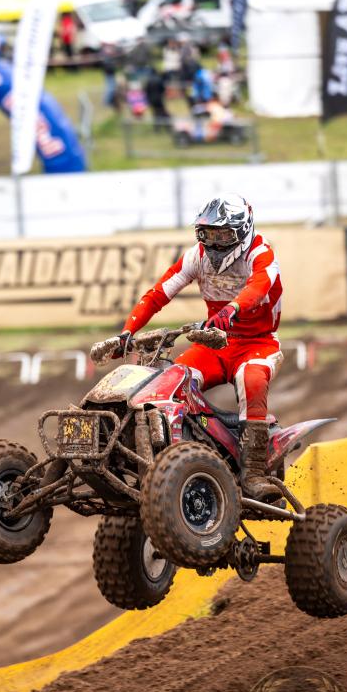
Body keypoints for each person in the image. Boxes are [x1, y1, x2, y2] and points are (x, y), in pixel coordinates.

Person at [117, 194, 283, 501]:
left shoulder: (261, 253)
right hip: (214, 344)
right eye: (208, 234)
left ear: (243, 230)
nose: (216, 244)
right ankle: (177, 457)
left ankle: (254, 473)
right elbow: (158, 293)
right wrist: (127, 331)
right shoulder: (196, 256)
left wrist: (231, 310)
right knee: (173, 379)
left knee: (252, 379)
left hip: (257, 343)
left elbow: (259, 287)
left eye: (224, 235)